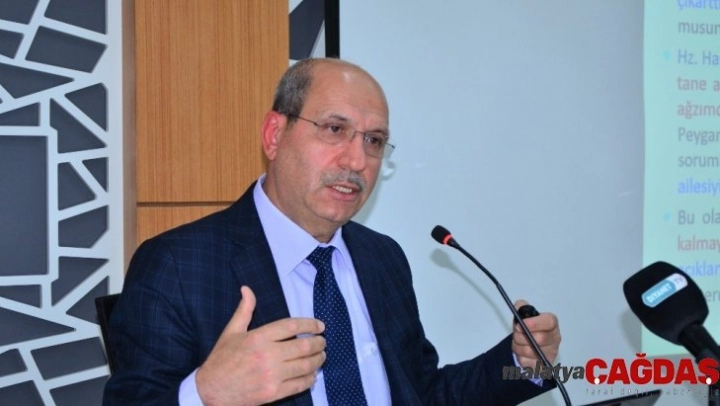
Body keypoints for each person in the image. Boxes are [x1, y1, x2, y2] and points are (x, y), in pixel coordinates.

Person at [103, 58, 561, 405]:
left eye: (373, 141)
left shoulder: (382, 257)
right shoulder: (178, 265)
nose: (357, 161)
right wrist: (205, 395)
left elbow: (421, 393)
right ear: (274, 135)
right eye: (335, 129)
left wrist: (520, 364)